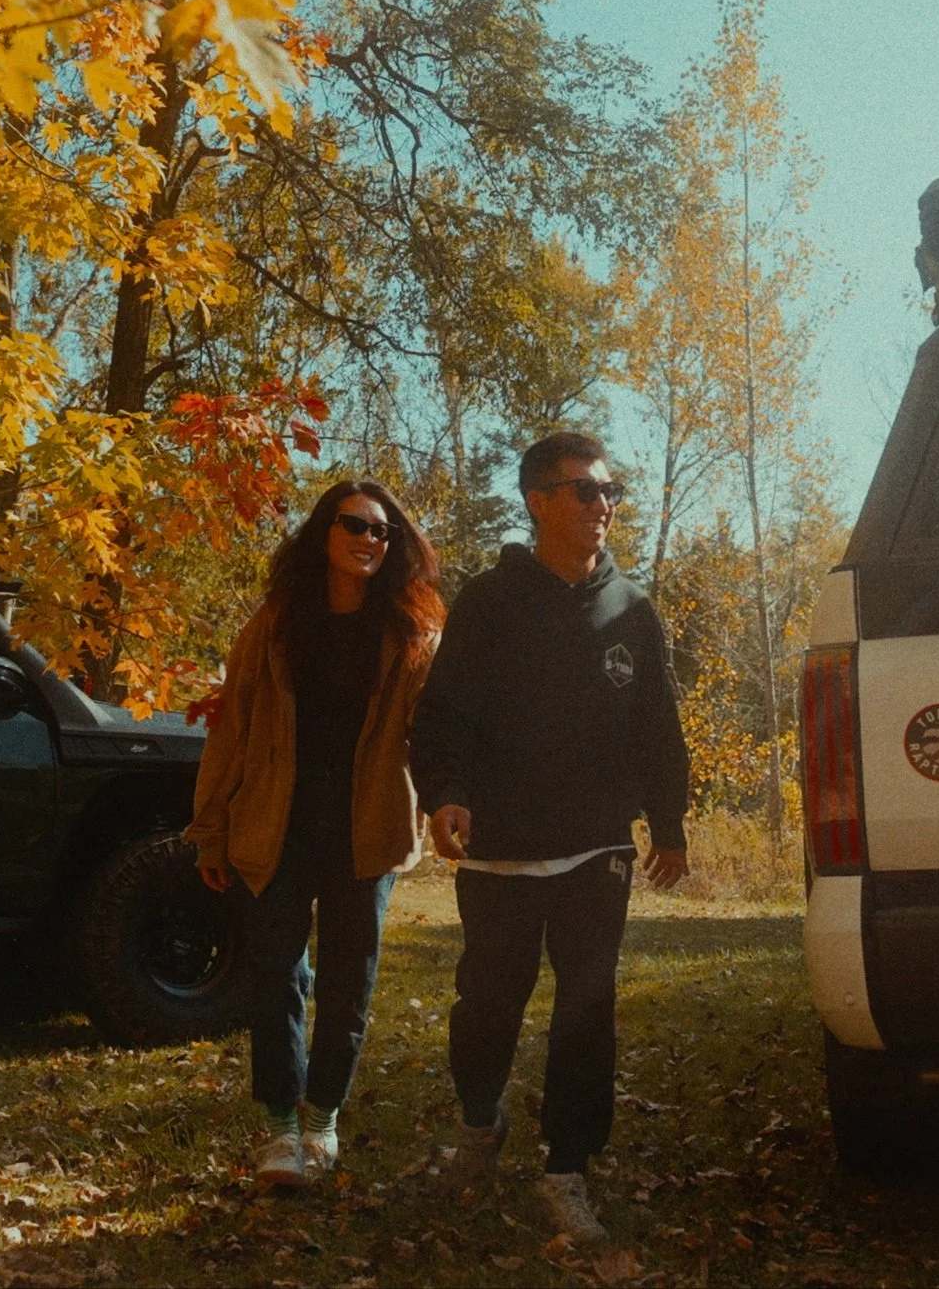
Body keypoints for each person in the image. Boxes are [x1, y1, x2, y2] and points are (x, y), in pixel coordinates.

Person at [409, 430, 691, 1246]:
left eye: (610, 491)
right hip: (500, 846)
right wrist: (448, 795)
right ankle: (478, 1126)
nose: (604, 505)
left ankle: (567, 1169)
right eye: (585, 490)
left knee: (586, 1011)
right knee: (488, 1006)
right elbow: (443, 715)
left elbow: (659, 727)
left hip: (597, 848)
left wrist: (668, 825)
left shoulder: (632, 609)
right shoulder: (490, 603)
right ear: (538, 502)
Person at [185, 480, 444, 1191]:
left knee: (349, 978)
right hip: (278, 822)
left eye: (382, 532)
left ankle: (323, 1116)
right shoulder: (276, 622)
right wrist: (211, 829)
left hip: (368, 829)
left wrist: (453, 804)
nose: (368, 540)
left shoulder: (414, 633)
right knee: (275, 973)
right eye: (354, 525)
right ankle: (282, 1127)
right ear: (323, 533)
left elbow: (436, 734)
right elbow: (233, 728)